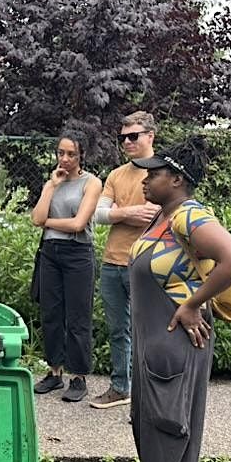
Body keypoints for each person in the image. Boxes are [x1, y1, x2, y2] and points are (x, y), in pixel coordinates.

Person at [125, 136, 231, 462]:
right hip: (152, 341)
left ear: (177, 179)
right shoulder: (163, 216)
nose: (145, 179)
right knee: (146, 421)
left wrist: (194, 303)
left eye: (155, 174)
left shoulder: (188, 216)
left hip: (176, 341)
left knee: (170, 424)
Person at [91, 112, 161, 410]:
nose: (127, 142)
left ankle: (150, 395)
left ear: (150, 136)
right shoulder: (116, 174)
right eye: (123, 138)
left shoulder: (161, 171)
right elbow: (97, 214)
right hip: (112, 263)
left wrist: (118, 211)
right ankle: (121, 388)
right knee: (118, 330)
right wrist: (127, 213)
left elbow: (153, 215)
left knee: (147, 331)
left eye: (133, 136)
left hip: (146, 263)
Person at [31, 133, 103, 403]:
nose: (65, 159)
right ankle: (54, 371)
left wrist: (47, 221)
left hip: (78, 253)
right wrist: (51, 186)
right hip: (51, 252)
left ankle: (78, 376)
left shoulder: (92, 183)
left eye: (71, 154)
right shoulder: (54, 181)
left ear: (82, 155)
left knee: (77, 317)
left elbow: (78, 224)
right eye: (61, 153)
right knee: (51, 313)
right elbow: (36, 218)